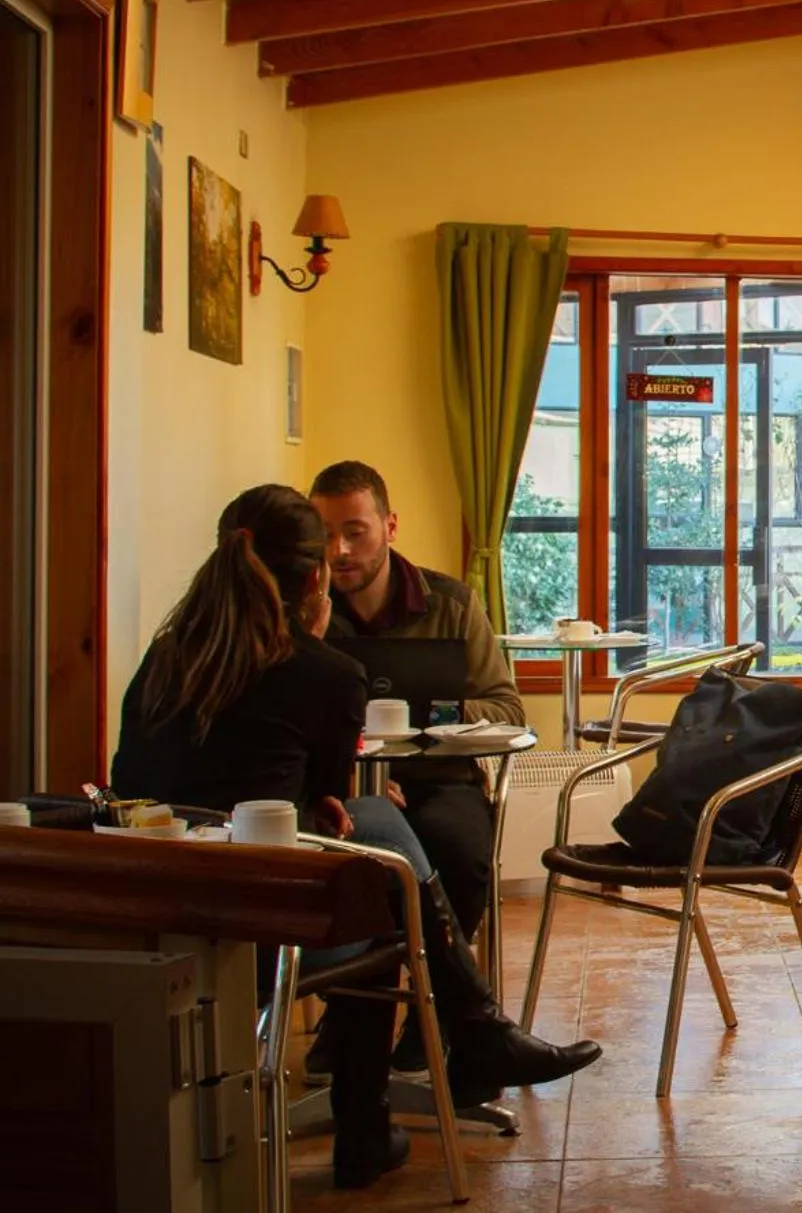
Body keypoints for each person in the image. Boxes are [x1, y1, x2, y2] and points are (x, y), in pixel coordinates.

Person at [110, 485, 601, 1190]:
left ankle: (463, 1040)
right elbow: (331, 800)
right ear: (314, 579)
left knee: (378, 840)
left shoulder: (162, 661)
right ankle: (402, 1097)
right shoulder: (325, 673)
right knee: (374, 882)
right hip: (262, 932)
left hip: (158, 915)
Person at [309, 460, 517, 1074]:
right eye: (323, 535)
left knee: (457, 849)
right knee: (355, 867)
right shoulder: (305, 608)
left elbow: (505, 705)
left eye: (355, 532)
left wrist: (428, 717)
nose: (339, 550)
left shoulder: (450, 603)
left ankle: (421, 1024)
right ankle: (358, 1019)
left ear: (389, 526)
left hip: (439, 774)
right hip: (343, 785)